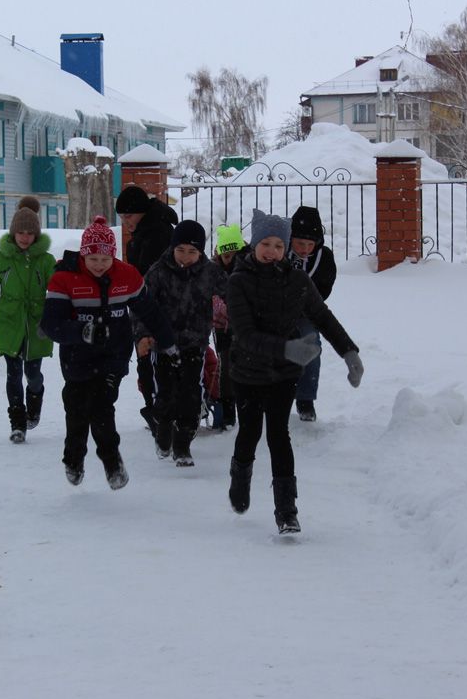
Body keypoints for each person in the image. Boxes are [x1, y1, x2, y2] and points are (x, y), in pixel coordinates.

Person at [226, 210, 363, 534]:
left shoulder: (297, 280)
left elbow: (322, 316)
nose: (271, 250)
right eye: (265, 243)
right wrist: (286, 348)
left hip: (283, 374)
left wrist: (349, 351)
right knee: (249, 433)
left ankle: (286, 510)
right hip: (246, 372)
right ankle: (240, 478)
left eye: (278, 244)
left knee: (278, 436)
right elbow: (244, 335)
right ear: (255, 244)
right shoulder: (238, 281)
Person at [40, 216, 177, 489]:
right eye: (93, 259)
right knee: (77, 411)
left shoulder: (126, 276)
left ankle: (112, 463)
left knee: (103, 409)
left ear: (113, 256)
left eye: (105, 259)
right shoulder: (64, 277)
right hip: (77, 358)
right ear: (83, 254)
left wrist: (167, 340)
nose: (99, 265)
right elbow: (50, 325)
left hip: (112, 357)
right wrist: (82, 331)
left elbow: (150, 311)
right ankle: (73, 459)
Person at [135, 220, 228, 466]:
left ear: (201, 252)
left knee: (191, 395)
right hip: (162, 344)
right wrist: (144, 334)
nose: (186, 257)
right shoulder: (158, 272)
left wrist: (232, 314)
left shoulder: (210, 272)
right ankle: (163, 430)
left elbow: (231, 293)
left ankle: (183, 444)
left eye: (192, 252)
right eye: (181, 250)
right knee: (165, 393)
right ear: (173, 247)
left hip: (194, 343)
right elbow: (142, 306)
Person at [0, 206, 56, 444]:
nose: (25, 237)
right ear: (13, 233)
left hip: (37, 326)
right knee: (13, 373)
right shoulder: (1, 260)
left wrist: (52, 320)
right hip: (8, 323)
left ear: (36, 234)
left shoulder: (45, 261)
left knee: (33, 374)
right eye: (21, 232)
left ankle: (35, 406)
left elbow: (59, 291)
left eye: (30, 232)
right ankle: (18, 423)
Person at [115, 184, 178, 432]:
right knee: (150, 359)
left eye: (128, 216)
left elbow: (148, 276)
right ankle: (156, 408)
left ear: (141, 212)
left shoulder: (156, 234)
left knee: (153, 358)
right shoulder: (146, 230)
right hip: (146, 305)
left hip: (157, 307)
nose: (125, 222)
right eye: (121, 218)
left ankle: (159, 410)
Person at [287, 206, 338, 423]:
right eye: (300, 243)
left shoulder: (324, 258)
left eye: (310, 244)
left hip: (306, 312)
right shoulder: (279, 249)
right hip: (273, 310)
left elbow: (324, 289)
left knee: (311, 346)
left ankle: (305, 398)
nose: (305, 249)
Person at [211, 223, 246, 429]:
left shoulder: (248, 267)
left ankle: (245, 407)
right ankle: (227, 411)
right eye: (227, 255)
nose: (231, 259)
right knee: (225, 366)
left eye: (236, 254)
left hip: (245, 325)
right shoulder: (213, 270)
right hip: (221, 325)